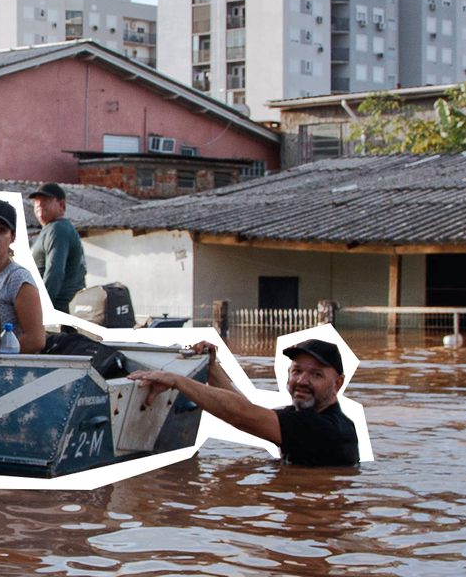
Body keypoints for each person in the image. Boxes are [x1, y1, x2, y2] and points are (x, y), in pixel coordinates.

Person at [132, 338, 361, 467]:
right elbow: (249, 414)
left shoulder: (327, 428)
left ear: (338, 384)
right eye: (297, 371)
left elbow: (241, 415)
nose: (302, 381)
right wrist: (212, 368)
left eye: (316, 375)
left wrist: (177, 381)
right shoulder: (304, 420)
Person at [0, 200, 45, 353]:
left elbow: (36, 339)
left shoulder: (18, 279)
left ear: (12, 237)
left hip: (8, 370)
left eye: (1, 230)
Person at [28, 182, 86, 311]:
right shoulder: (50, 229)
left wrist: (41, 307)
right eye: (36, 202)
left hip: (59, 310)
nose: (40, 205)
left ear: (61, 204)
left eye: (46, 200)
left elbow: (55, 271)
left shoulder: (58, 229)